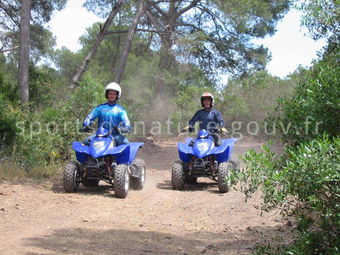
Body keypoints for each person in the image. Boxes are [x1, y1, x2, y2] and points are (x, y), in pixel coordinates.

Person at [81, 82, 131, 146]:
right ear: (107, 94)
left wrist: (125, 128)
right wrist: (86, 125)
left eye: (114, 94)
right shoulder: (99, 108)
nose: (111, 96)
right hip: (100, 135)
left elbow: (126, 122)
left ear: (117, 95)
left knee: (127, 145)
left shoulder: (120, 110)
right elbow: (90, 116)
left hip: (115, 136)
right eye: (110, 93)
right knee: (84, 143)